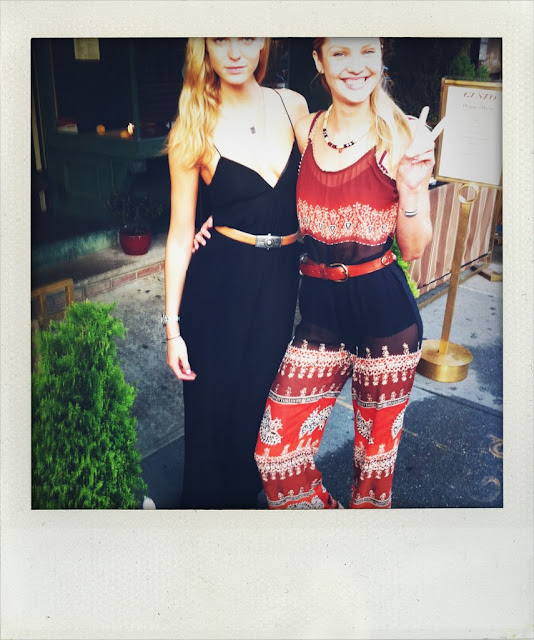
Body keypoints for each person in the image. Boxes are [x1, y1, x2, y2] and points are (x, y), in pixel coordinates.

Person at [253, 37, 445, 509]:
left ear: (380, 57)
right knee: (276, 456)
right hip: (320, 317)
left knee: (372, 477)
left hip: (386, 319)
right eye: (340, 53)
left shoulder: (401, 135)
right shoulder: (306, 129)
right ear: (319, 61)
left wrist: (412, 189)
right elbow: (262, 183)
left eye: (366, 51)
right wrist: (211, 222)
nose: (355, 66)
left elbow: (413, 248)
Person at [163, 37, 308, 509]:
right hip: (218, 289)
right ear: (203, 47)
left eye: (246, 36)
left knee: (255, 418)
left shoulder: (292, 106)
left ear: (264, 41)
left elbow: (330, 171)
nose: (234, 52)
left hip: (279, 285)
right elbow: (179, 234)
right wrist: (172, 330)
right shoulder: (194, 123)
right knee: (211, 420)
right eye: (220, 38)